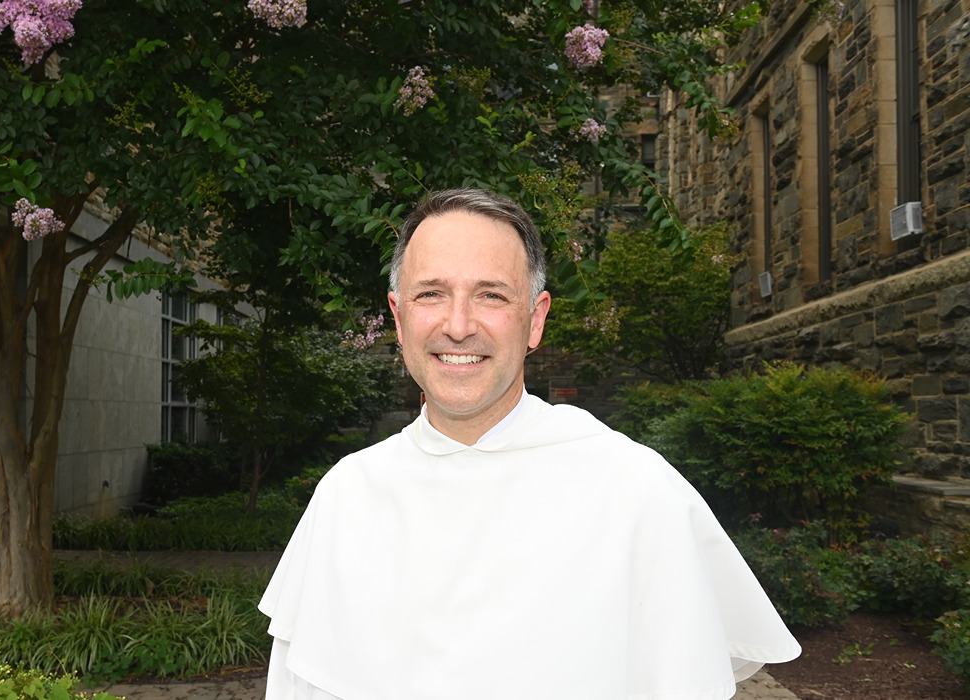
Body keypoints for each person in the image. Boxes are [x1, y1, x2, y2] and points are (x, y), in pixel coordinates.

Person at [259, 188, 801, 699]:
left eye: (490, 295)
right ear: (399, 320)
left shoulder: (634, 490)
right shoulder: (347, 496)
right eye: (432, 294)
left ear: (536, 320)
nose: (458, 325)